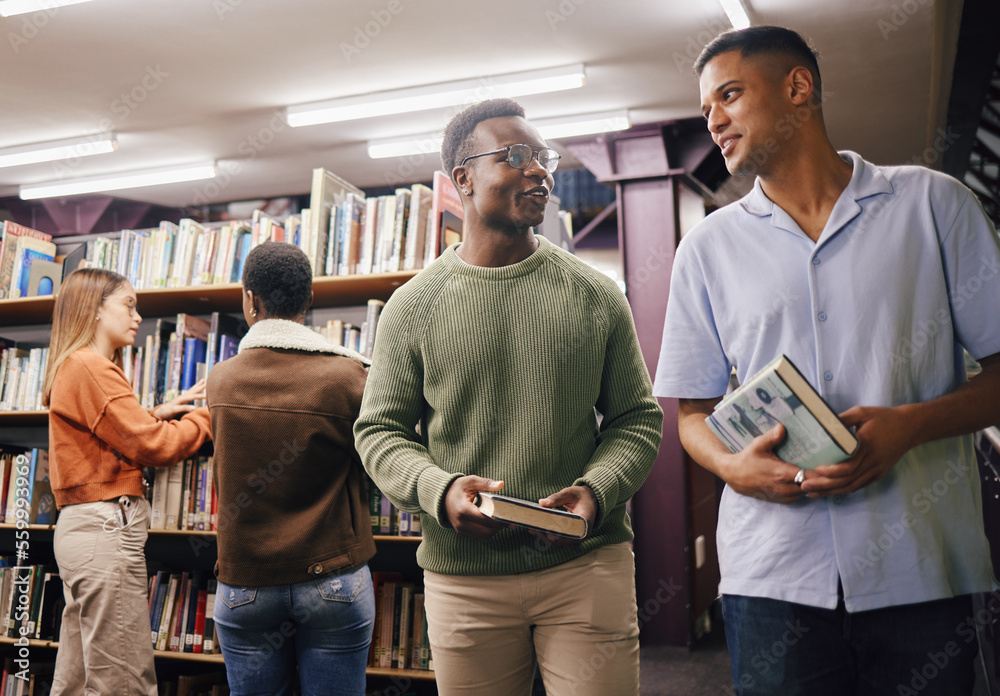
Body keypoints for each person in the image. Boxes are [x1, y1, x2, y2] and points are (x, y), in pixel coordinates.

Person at [653, 25, 1000, 695]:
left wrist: (911, 425)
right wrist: (731, 465)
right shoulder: (708, 247)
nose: (715, 120)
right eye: (705, 110)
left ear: (798, 87)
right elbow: (691, 411)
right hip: (773, 577)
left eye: (728, 95)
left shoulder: (933, 205)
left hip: (923, 568)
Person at [354, 97, 663, 696]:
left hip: (586, 566)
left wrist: (596, 495)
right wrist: (438, 490)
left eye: (542, 157)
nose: (541, 170)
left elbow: (636, 421)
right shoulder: (413, 307)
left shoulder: (596, 295)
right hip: (464, 580)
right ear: (462, 179)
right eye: (515, 157)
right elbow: (380, 432)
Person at [206, 242, 376, 696]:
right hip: (333, 580)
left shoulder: (220, 378)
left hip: (245, 586)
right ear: (309, 301)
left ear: (249, 300)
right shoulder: (349, 376)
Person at [43, 268, 211, 696]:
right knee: (124, 680)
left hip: (83, 532)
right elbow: (154, 447)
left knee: (79, 678)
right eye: (129, 305)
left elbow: (103, 439)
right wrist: (210, 416)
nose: (138, 316)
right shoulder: (92, 366)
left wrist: (153, 412)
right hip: (105, 532)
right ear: (95, 309)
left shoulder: (75, 364)